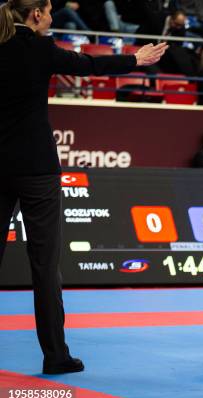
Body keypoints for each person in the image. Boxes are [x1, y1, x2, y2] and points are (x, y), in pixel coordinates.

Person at [0, 0, 167, 374]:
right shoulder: (40, 48)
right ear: (37, 15)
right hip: (37, 167)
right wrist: (133, 60)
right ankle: (55, 356)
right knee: (44, 266)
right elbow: (89, 66)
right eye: (48, 11)